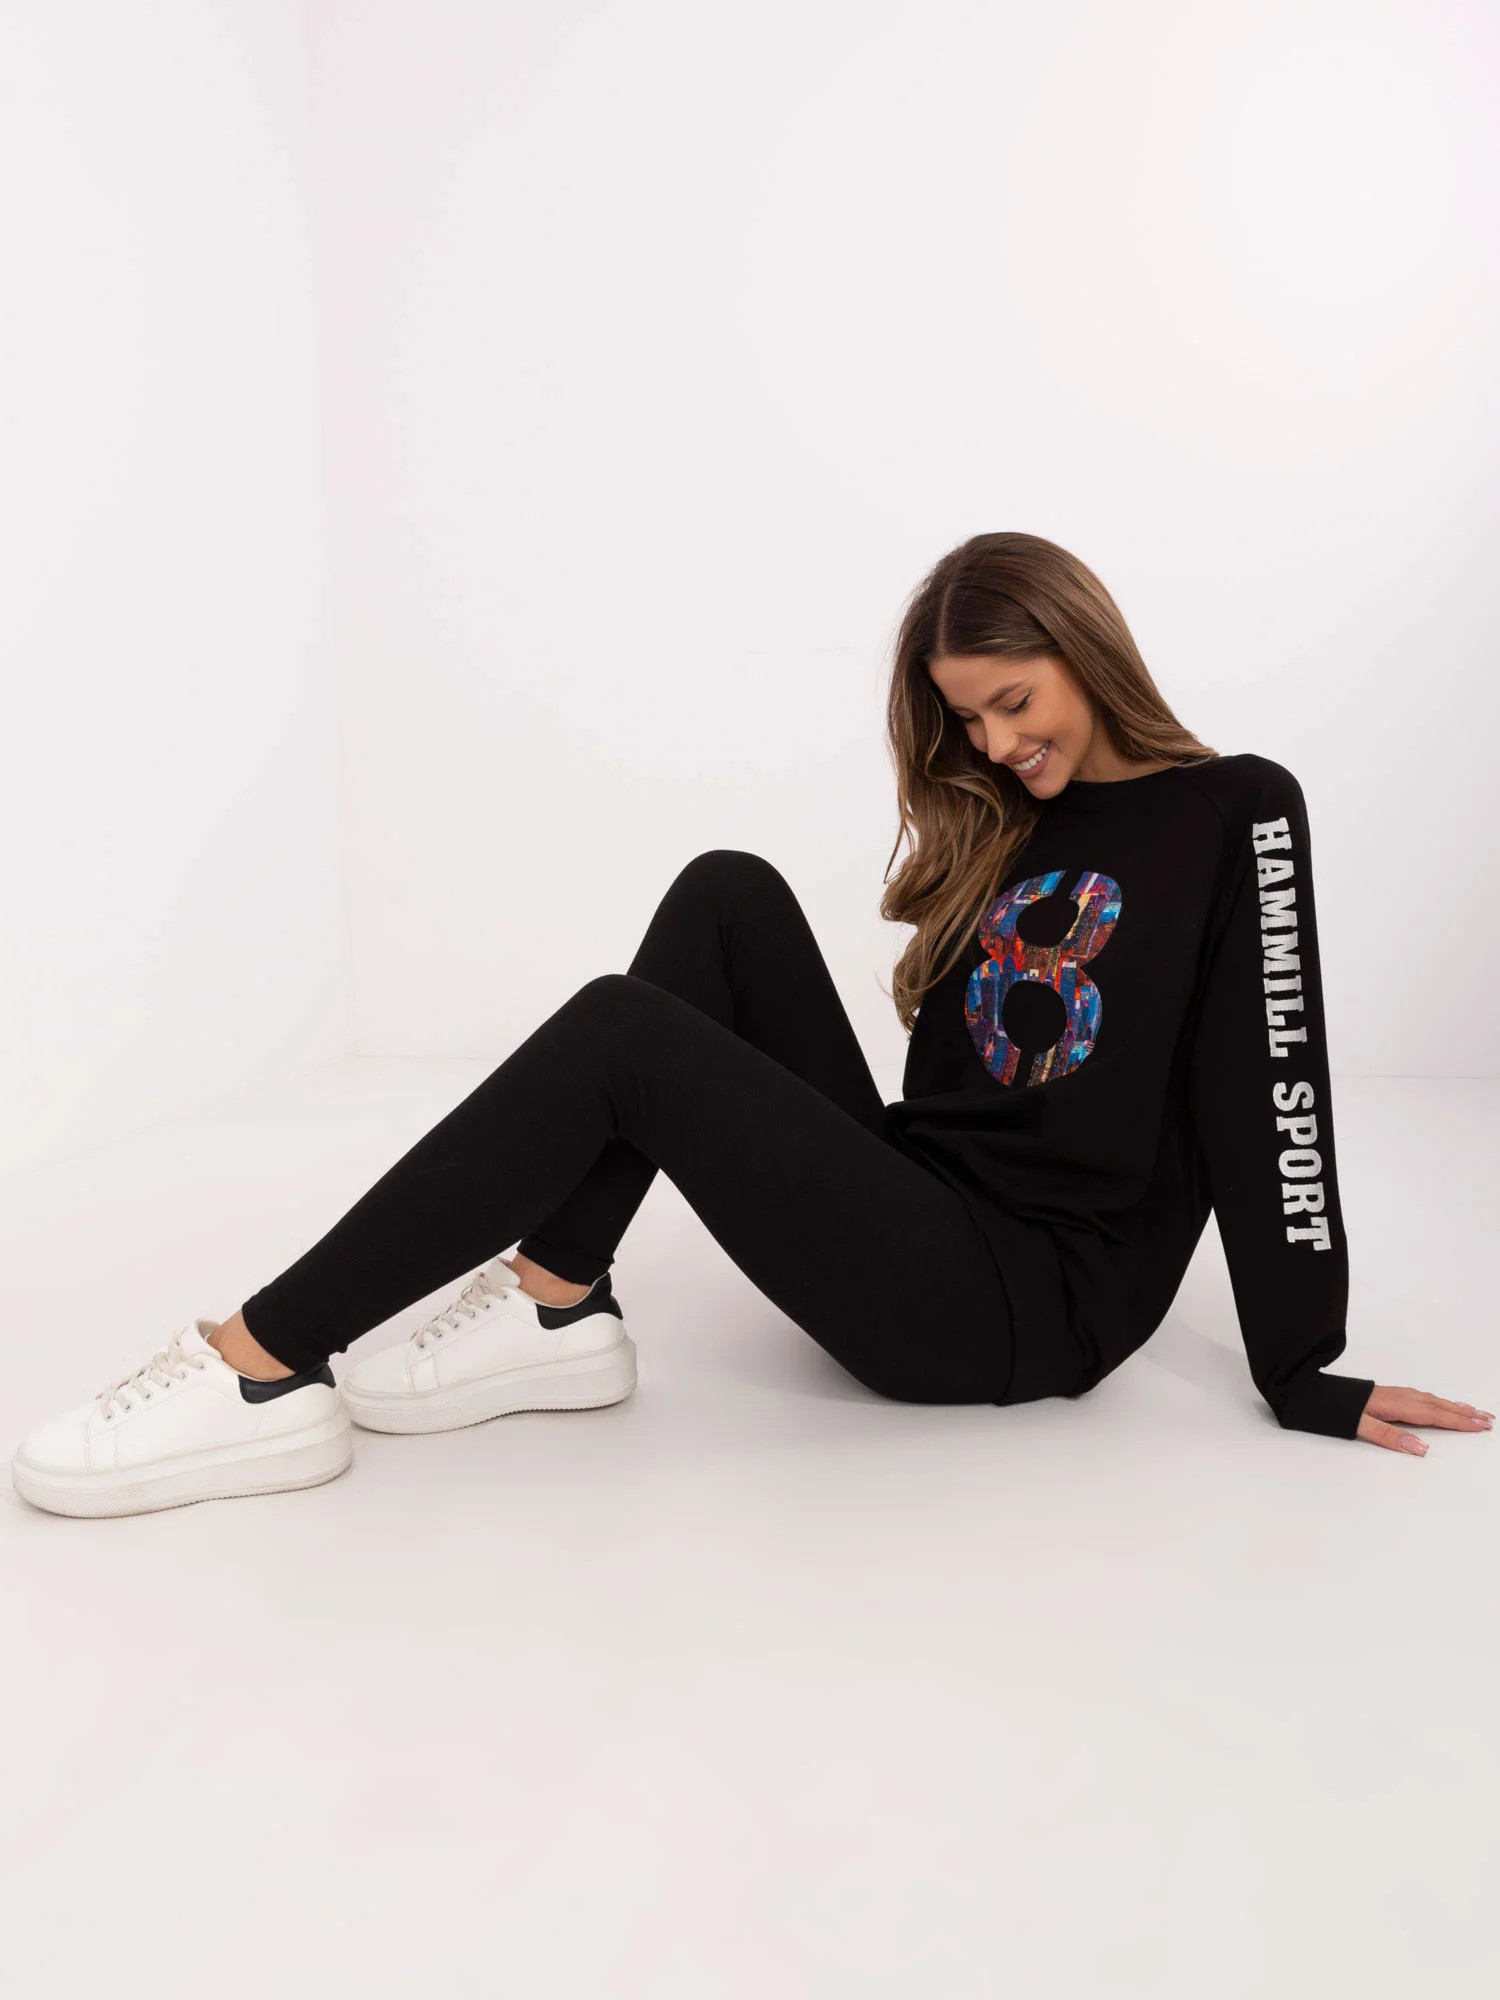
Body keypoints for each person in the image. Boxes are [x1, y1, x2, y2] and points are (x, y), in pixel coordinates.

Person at [13, 532, 1490, 1517]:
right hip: (926, 1205)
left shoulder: (1235, 811)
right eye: (967, 721)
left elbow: (1273, 1084)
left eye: (1012, 701)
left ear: (1086, 652)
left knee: (620, 1035)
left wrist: (1301, 1362)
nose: (995, 745)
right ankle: (555, 1303)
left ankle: (260, 1362)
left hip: (1015, 1304)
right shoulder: (1008, 815)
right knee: (728, 894)